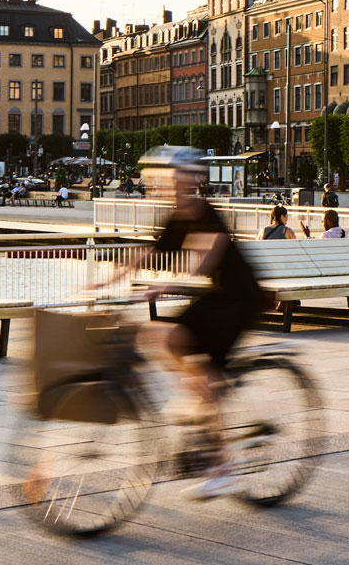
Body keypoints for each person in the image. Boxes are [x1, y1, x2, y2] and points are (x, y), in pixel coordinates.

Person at [110, 146, 266, 499]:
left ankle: (224, 470)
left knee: (198, 370)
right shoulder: (176, 217)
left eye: (178, 180)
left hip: (239, 299)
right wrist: (108, 280)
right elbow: (150, 252)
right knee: (159, 337)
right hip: (215, 297)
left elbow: (208, 254)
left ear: (192, 182)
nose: (170, 186)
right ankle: (198, 393)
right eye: (166, 181)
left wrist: (169, 284)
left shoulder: (204, 211)